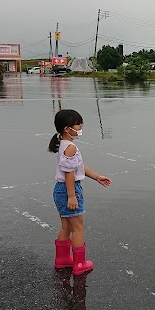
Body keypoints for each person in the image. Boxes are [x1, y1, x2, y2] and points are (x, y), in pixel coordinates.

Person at [48, 109, 111, 275]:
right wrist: (72, 196)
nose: (81, 127)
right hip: (69, 189)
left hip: (60, 189)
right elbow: (69, 174)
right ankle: (80, 264)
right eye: (78, 124)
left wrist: (96, 177)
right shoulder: (71, 148)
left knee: (66, 226)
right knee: (77, 228)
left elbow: (78, 167)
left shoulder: (64, 144)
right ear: (67, 128)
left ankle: (62, 259)